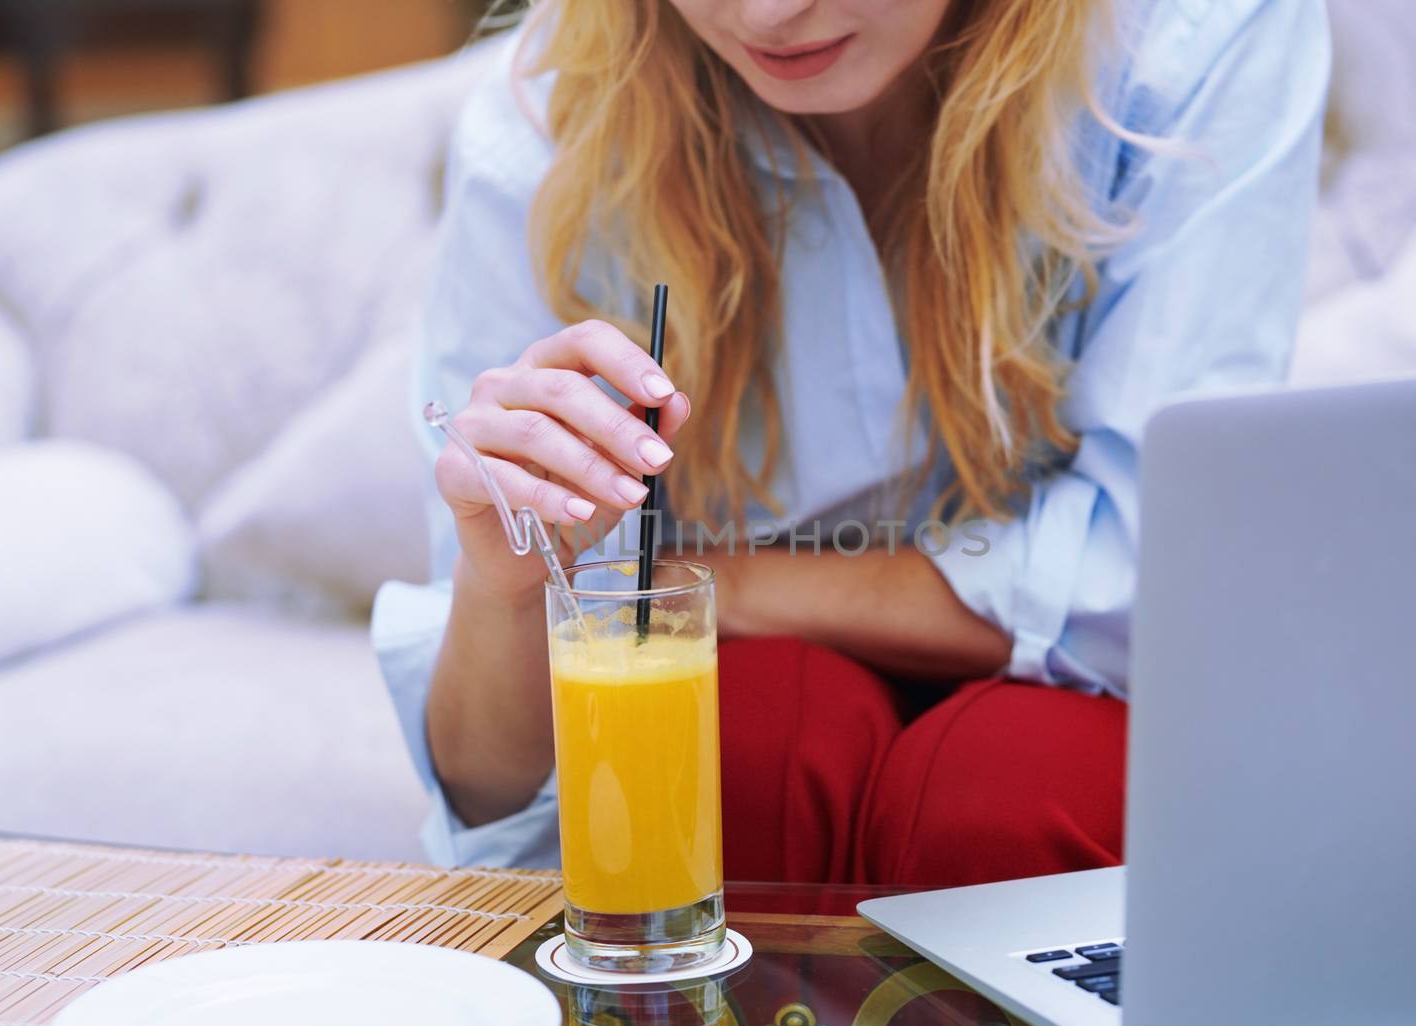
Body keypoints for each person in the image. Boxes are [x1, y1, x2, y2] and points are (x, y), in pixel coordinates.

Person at [373, 0, 1330, 884]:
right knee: (745, 752)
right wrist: (506, 590)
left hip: (1055, 751)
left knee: (1008, 795)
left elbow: (1151, 589)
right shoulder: (549, 122)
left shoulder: (1192, 36)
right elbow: (490, 795)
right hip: (760, 737)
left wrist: (711, 583)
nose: (767, 14)